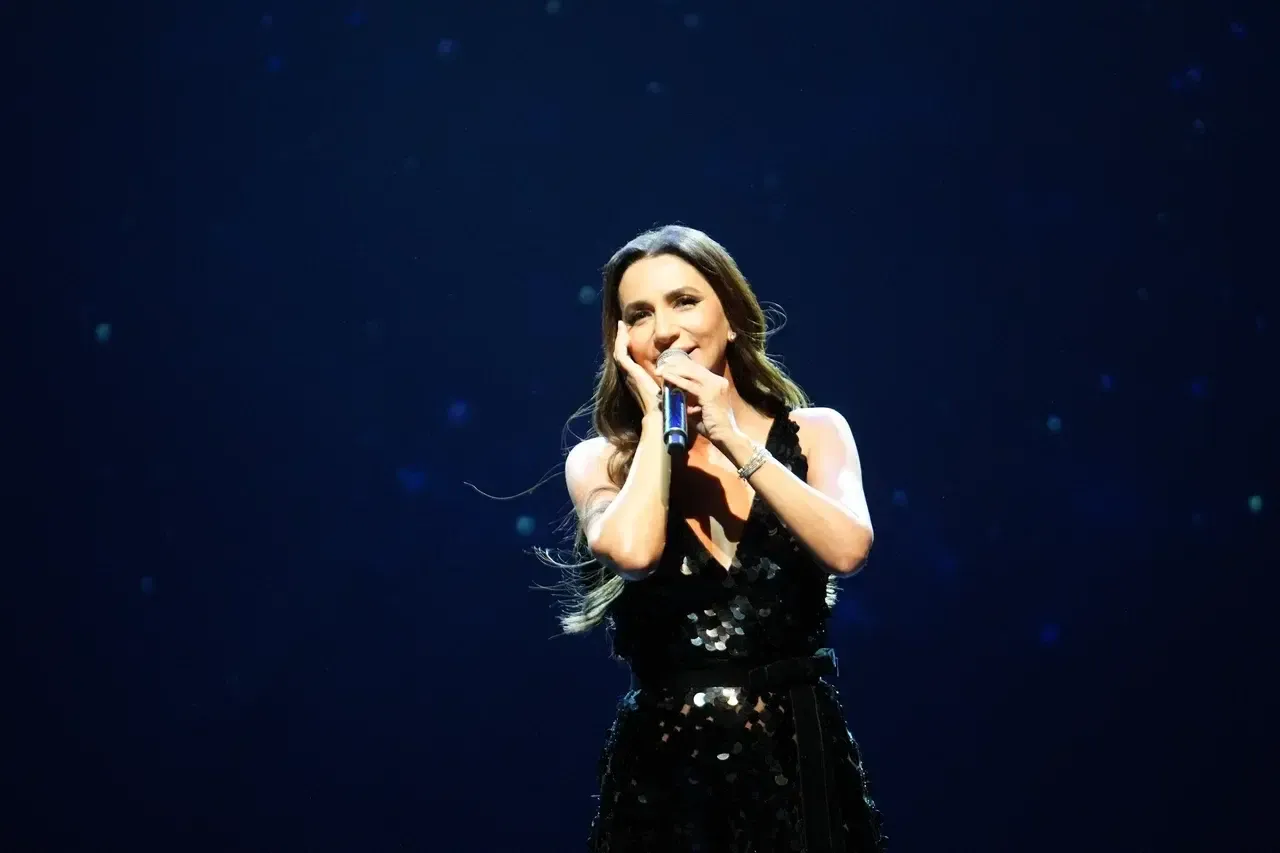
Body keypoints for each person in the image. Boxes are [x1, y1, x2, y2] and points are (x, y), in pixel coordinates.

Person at [539, 225, 887, 852]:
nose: (664, 331)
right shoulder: (601, 463)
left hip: (799, 762)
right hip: (667, 779)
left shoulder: (817, 433)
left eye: (684, 301)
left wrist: (731, 436)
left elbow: (848, 549)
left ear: (732, 318)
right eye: (639, 315)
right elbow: (635, 553)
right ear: (621, 342)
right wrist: (656, 423)